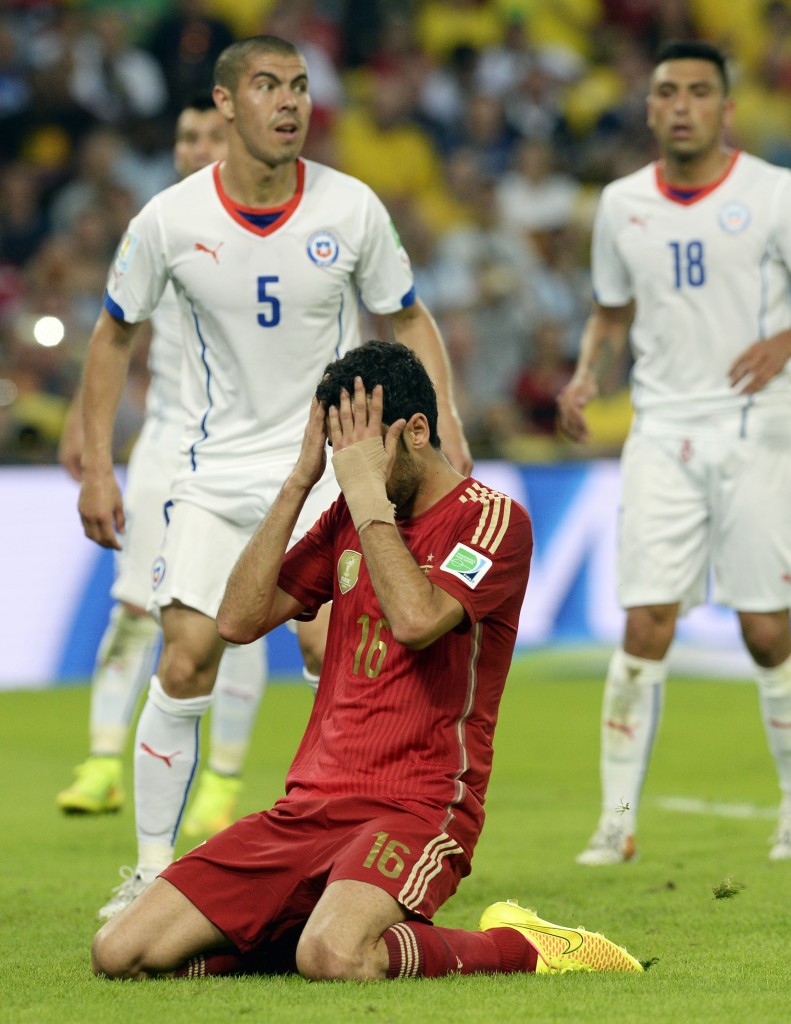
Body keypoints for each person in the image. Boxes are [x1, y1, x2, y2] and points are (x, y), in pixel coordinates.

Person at [90, 340, 643, 981]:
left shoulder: (493, 520)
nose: (347, 469)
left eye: (362, 451)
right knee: (120, 952)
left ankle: (526, 948)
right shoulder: (346, 515)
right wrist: (301, 480)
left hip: (418, 806)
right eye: (337, 452)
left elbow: (416, 622)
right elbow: (237, 621)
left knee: (334, 956)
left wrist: (363, 496)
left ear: (414, 432)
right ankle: (312, 920)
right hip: (308, 806)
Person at [77, 35, 472, 921]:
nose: (287, 101)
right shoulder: (171, 220)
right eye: (266, 86)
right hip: (213, 472)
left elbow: (407, 317)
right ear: (225, 104)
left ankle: (346, 854)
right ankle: (147, 873)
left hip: (337, 467)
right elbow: (113, 333)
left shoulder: (352, 208)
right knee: (183, 655)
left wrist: (443, 427)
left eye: (297, 85)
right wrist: (97, 458)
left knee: (336, 653)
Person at [557, 39, 791, 866]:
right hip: (661, 432)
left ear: (726, 108)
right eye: (668, 91)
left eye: (699, 91)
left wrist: (783, 341)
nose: (683, 104)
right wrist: (585, 376)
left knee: (768, 631)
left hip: (758, 429)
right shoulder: (621, 204)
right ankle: (615, 822)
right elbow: (610, 311)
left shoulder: (773, 194)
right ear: (649, 108)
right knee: (644, 624)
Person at [56, 95, 269, 842]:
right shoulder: (159, 226)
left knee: (236, 624)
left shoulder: (270, 232)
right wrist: (83, 429)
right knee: (133, 607)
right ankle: (103, 761)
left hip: (246, 451)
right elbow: (116, 333)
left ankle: (221, 782)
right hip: (165, 442)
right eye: (186, 136)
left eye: (213, 132)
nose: (198, 146)